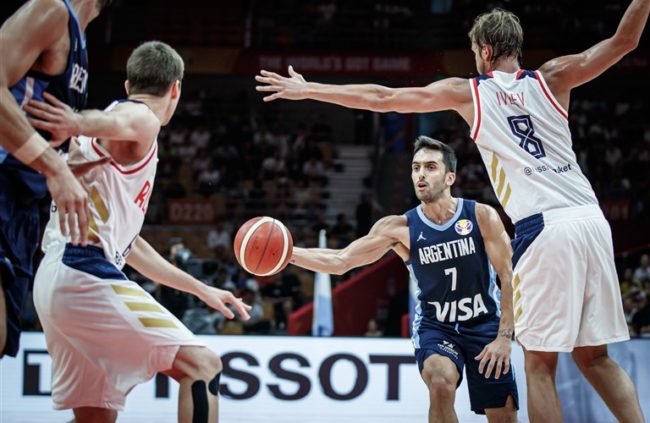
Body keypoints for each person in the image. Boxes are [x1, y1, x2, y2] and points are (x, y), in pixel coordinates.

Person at [256, 3, 649, 421]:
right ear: (516, 45)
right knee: (596, 358)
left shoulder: (472, 92)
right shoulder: (554, 76)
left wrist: (310, 88)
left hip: (545, 227)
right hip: (591, 219)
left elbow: (384, 98)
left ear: (482, 50)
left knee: (538, 364)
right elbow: (625, 40)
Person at [29, 41, 251, 423]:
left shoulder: (119, 133)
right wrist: (78, 121)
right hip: (85, 274)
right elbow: (126, 121)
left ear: (129, 83)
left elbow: (130, 247)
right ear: (176, 88)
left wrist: (200, 288)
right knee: (202, 365)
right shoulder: (142, 117)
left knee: (96, 419)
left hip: (57, 278)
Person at [290, 137, 518, 422]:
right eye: (416, 167)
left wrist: (504, 337)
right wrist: (288, 253)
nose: (421, 174)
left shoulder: (482, 216)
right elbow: (341, 261)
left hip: (485, 323)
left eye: (431, 167)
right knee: (439, 381)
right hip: (437, 327)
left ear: (450, 177)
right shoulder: (400, 227)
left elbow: (508, 276)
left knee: (503, 416)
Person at [0, 0, 111, 359]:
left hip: (20, 208)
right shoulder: (50, 8)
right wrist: (54, 167)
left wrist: (66, 164)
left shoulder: (79, 42)